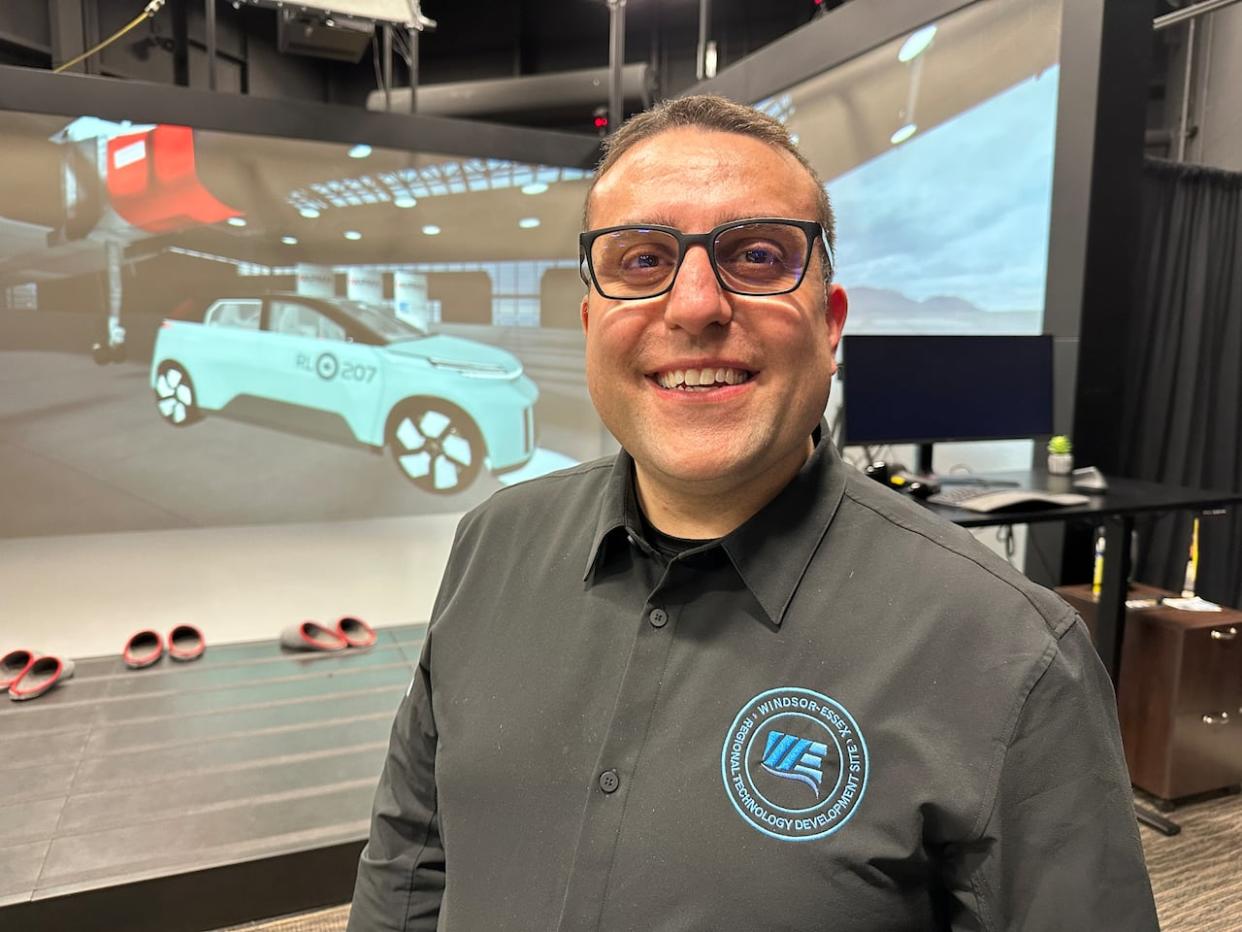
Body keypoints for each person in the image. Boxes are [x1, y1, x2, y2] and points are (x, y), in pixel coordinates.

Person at [348, 95, 1158, 931]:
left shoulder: (1009, 654)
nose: (696, 304)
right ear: (592, 324)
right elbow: (412, 859)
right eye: (640, 261)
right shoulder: (494, 545)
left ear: (831, 324)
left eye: (759, 255)